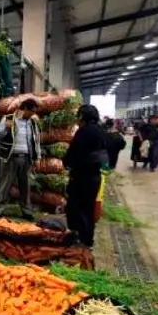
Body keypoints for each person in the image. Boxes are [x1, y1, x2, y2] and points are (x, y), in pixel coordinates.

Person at [63, 105, 109, 247]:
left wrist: (67, 163)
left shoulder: (84, 132)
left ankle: (78, 239)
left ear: (82, 117)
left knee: (75, 208)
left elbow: (73, 153)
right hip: (95, 177)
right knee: (88, 209)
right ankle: (87, 240)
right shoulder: (102, 131)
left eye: (79, 117)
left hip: (82, 177)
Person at [0, 99, 41, 219]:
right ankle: (0, 210)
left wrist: (37, 158)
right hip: (10, 158)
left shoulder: (32, 123)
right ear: (24, 108)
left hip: (26, 159)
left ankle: (26, 212)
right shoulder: (8, 119)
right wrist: (6, 128)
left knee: (25, 186)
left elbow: (36, 141)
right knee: (5, 185)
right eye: (31, 111)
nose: (33, 114)